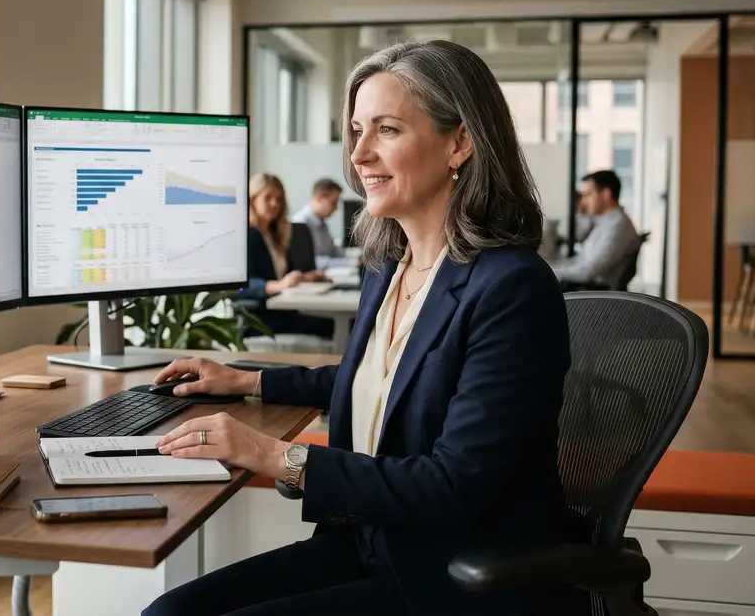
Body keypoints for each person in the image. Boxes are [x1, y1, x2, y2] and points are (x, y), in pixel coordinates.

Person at [142, 40, 584, 616]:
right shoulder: (388, 265)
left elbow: (455, 484)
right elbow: (382, 382)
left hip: (452, 574)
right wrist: (247, 381)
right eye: (357, 130)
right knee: (168, 613)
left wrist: (277, 455)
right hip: (370, 542)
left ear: (460, 142)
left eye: (387, 130)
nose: (359, 154)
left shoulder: (512, 288)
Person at [243, 173, 333, 339]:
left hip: (282, 309)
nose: (274, 204)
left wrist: (306, 277)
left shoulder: (275, 233)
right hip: (259, 317)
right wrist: (278, 286)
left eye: (278, 199)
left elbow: (284, 277)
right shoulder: (246, 235)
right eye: (268, 198)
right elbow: (240, 286)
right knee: (333, 325)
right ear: (252, 199)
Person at [548, 169, 639, 290]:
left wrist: (551, 271)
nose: (583, 202)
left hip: (594, 292)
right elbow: (581, 259)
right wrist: (551, 267)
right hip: (587, 287)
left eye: (588, 195)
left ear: (606, 194)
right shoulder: (604, 222)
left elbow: (588, 271)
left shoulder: (618, 226)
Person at [291, 178, 347, 269]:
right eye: (334, 203)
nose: (336, 208)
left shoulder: (322, 223)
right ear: (320, 198)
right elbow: (311, 261)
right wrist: (346, 262)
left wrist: (353, 259)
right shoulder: (300, 223)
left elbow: (331, 251)